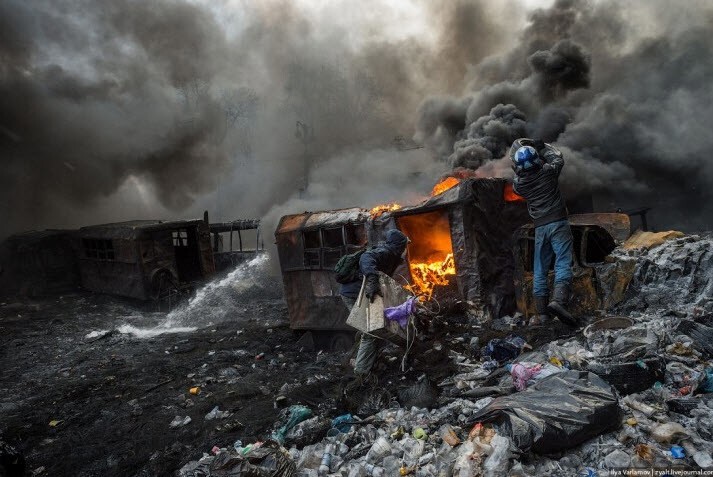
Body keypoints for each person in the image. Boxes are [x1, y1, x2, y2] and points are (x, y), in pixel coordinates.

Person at [511, 138, 578, 327]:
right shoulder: (548, 172)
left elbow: (516, 171)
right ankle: (559, 301)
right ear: (537, 161)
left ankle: (541, 314)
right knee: (563, 261)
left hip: (540, 227)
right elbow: (558, 157)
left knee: (539, 268)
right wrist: (541, 147)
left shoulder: (519, 185)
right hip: (558, 223)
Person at [340, 229, 409, 378]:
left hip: (362, 294)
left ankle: (363, 360)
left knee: (374, 328)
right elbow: (366, 257)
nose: (405, 249)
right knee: (372, 332)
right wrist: (372, 279)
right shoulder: (386, 252)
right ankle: (361, 372)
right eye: (404, 246)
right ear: (398, 245)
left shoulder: (392, 256)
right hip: (354, 294)